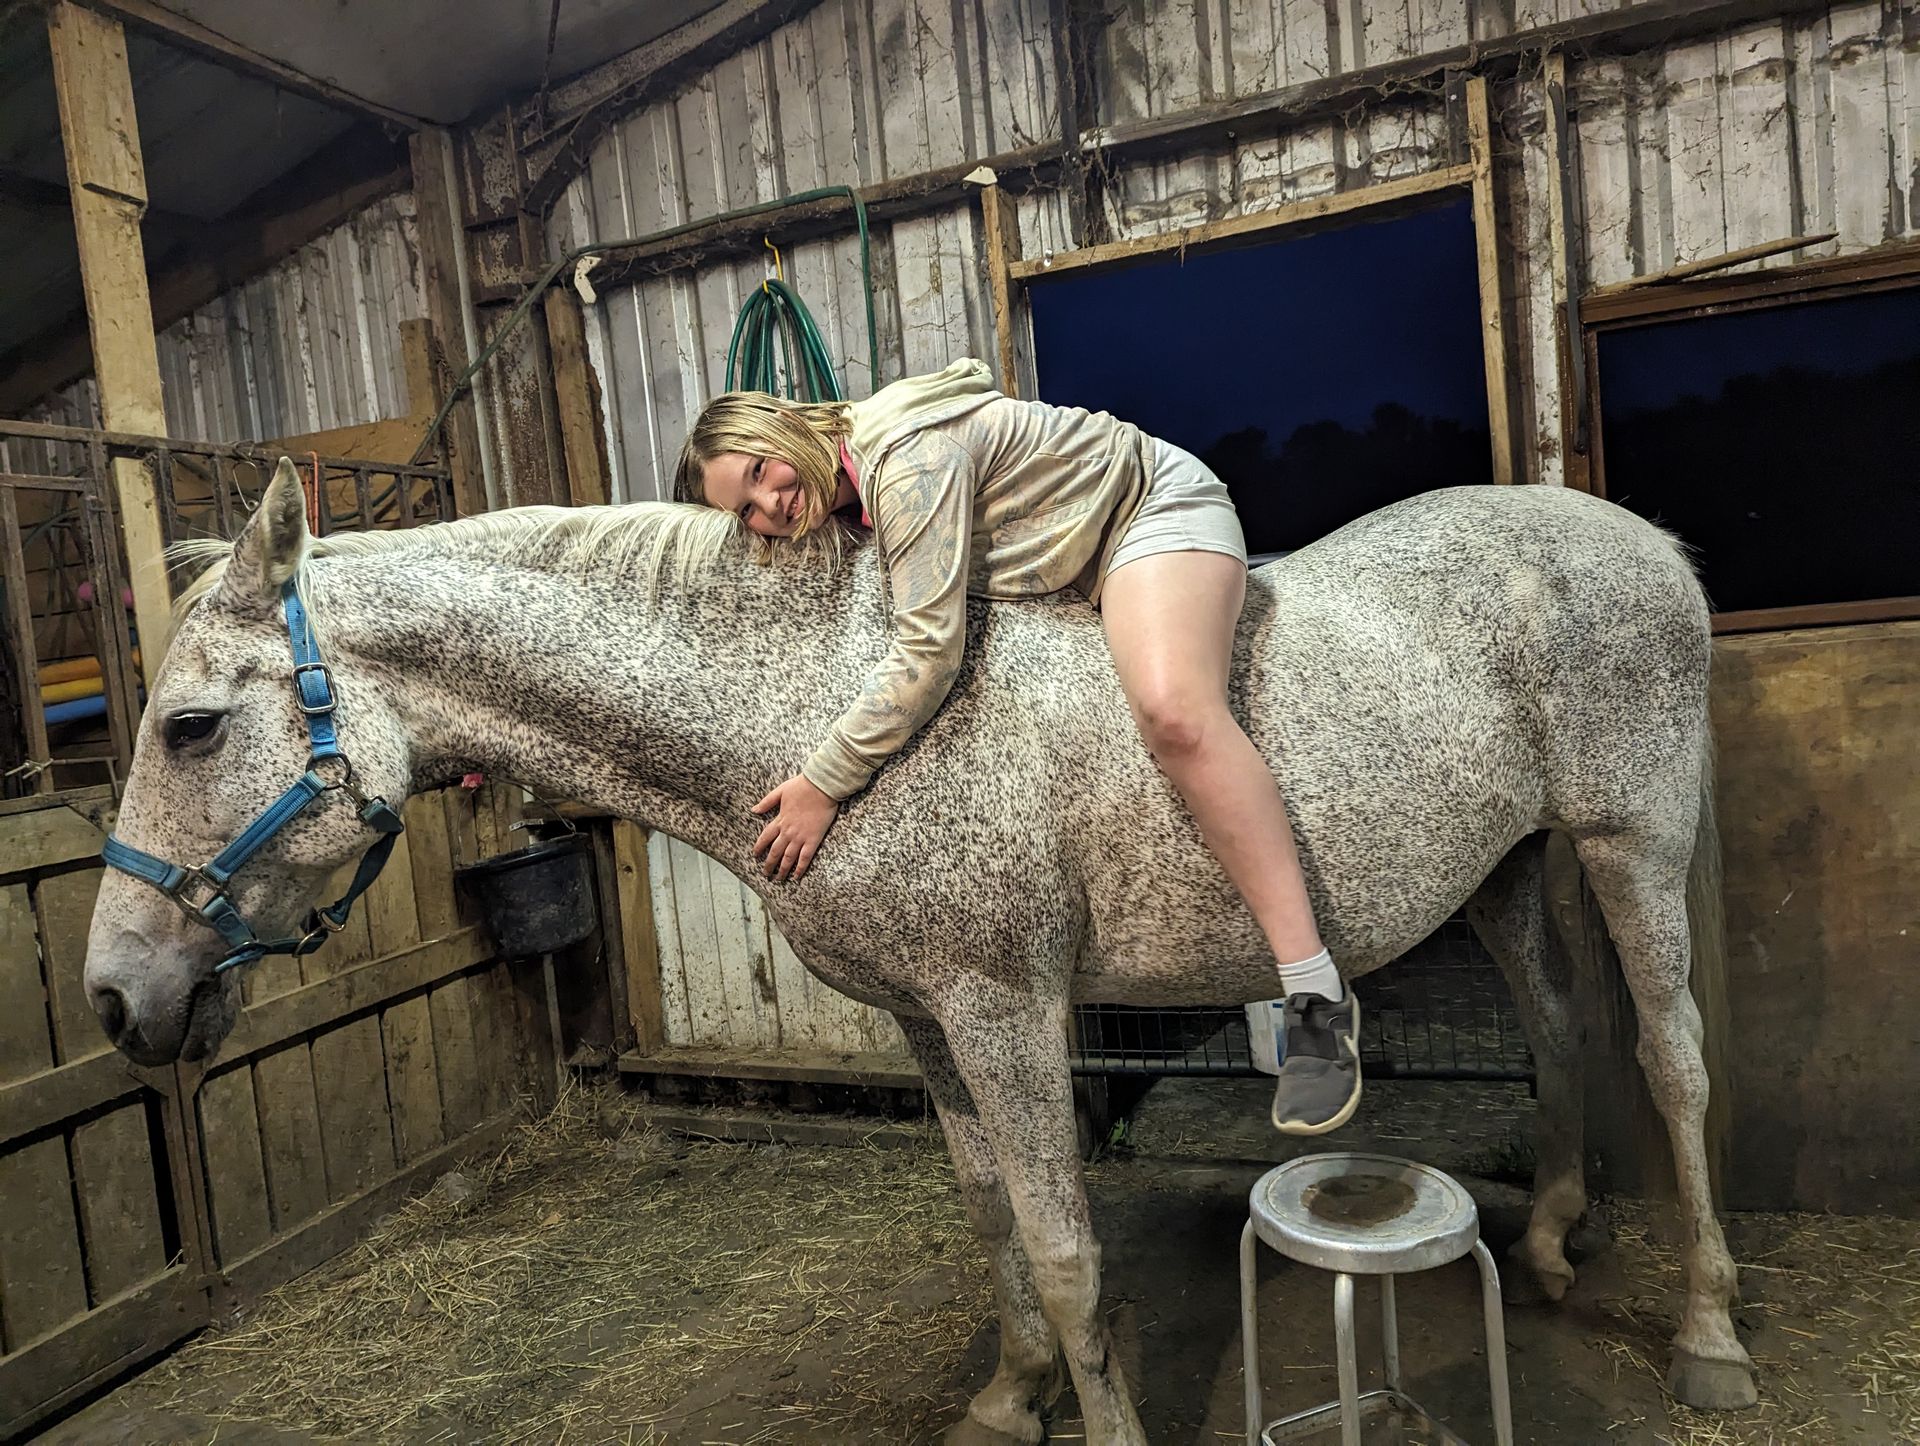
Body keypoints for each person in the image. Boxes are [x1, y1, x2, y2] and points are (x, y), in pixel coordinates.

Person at [675, 358, 1358, 1135]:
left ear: (782, 429)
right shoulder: (847, 490)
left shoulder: (906, 463)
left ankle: (1314, 996)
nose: (772, 502)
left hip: (1146, 511)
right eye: (748, 509)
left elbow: (928, 652)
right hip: (1071, 554)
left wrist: (823, 782)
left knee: (1176, 717)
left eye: (762, 470)